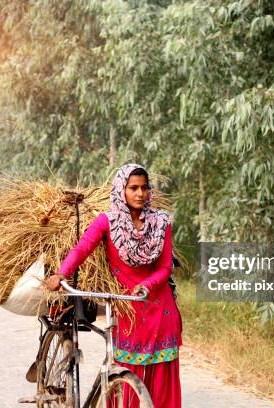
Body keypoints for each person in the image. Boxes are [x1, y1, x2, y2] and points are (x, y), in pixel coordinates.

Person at [45, 163, 182, 408]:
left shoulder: (161, 223)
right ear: (121, 189)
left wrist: (148, 285)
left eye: (144, 188)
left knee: (161, 387)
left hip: (160, 310)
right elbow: (83, 248)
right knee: (124, 378)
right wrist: (60, 274)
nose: (140, 193)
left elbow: (165, 267)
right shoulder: (107, 221)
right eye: (133, 188)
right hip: (128, 310)